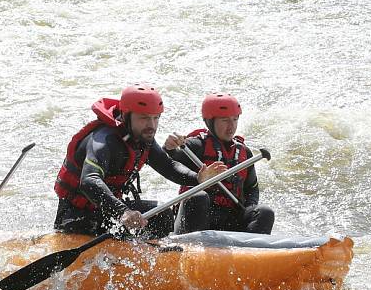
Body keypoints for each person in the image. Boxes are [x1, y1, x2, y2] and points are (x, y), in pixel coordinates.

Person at [53, 85, 227, 239]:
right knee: (163, 214)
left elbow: (169, 166)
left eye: (156, 118)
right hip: (76, 216)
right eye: (144, 118)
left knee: (161, 213)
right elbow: (89, 180)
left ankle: (150, 256)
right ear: (126, 115)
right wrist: (123, 212)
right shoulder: (103, 141)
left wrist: (198, 178)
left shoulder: (142, 138)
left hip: (108, 212)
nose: (152, 125)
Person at [163, 93, 274, 234]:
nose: (231, 127)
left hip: (230, 219)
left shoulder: (245, 153)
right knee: (199, 197)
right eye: (225, 120)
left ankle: (251, 253)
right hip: (198, 218)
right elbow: (170, 159)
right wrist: (170, 148)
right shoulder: (196, 145)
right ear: (210, 122)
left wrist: (249, 209)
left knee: (264, 212)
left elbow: (252, 188)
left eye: (235, 120)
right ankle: (194, 250)